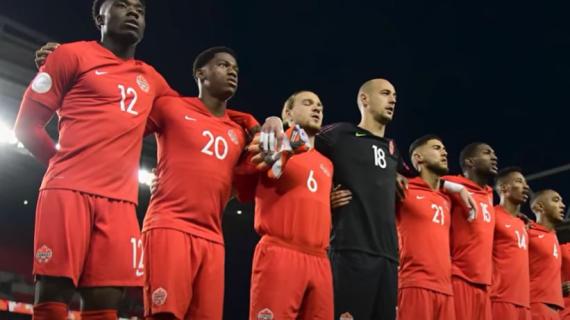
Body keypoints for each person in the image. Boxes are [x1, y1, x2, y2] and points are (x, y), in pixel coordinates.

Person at [14, 1, 174, 319]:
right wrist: (60, 167)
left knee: (106, 300)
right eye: (122, 5)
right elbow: (26, 126)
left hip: (121, 204)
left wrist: (255, 123)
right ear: (99, 15)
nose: (133, 13)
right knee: (54, 292)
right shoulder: (72, 55)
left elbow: (192, 118)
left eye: (140, 10)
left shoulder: (153, 80)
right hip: (67, 191)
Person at [142, 47, 254, 320]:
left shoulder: (240, 132)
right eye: (224, 66)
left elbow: (245, 185)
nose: (232, 73)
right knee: (164, 316)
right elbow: (122, 128)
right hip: (170, 225)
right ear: (200, 73)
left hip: (213, 239)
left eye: (235, 70)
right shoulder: (171, 107)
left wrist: (261, 121)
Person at [247, 91, 334, 319]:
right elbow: (259, 171)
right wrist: (284, 144)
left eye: (320, 105)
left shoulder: (327, 164)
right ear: (288, 113)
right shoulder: (271, 138)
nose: (317, 109)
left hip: (320, 260)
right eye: (308, 103)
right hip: (281, 252)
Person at [395, 135, 457, 320]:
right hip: (415, 284)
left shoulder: (447, 199)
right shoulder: (403, 189)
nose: (444, 152)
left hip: (446, 289)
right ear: (418, 157)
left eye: (444, 148)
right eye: (437, 148)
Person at [443, 142, 498, 320]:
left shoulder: (489, 193)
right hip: (459, 277)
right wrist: (455, 187)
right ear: (470, 162)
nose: (494, 157)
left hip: (484, 283)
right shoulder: (454, 183)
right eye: (487, 153)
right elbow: (427, 182)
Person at [489, 167, 531, 319]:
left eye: (525, 183)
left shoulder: (524, 223)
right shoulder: (492, 215)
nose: (525, 186)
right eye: (519, 182)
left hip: (524, 303)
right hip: (500, 299)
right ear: (504, 188)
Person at [529, 189, 566, 319]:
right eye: (556, 200)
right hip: (535, 307)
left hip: (556, 310)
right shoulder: (528, 232)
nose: (562, 205)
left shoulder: (553, 236)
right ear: (539, 206)